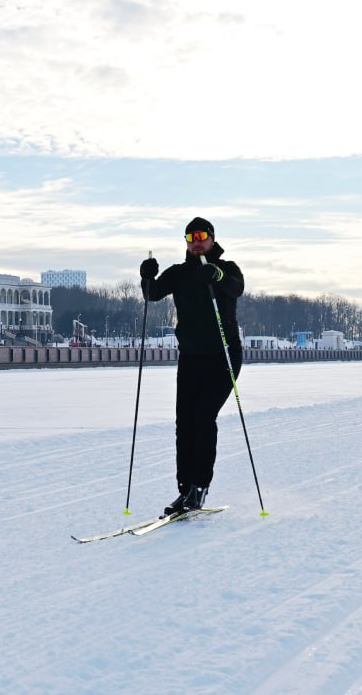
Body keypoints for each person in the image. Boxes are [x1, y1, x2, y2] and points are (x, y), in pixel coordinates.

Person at [140, 217, 244, 516]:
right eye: (190, 237)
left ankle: (200, 487)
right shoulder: (179, 273)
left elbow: (236, 288)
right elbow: (152, 294)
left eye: (201, 236)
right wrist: (147, 276)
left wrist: (218, 276)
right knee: (184, 423)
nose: (196, 241)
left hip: (223, 356)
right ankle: (184, 490)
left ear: (212, 239)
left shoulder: (227, 268)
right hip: (191, 357)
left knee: (203, 416)